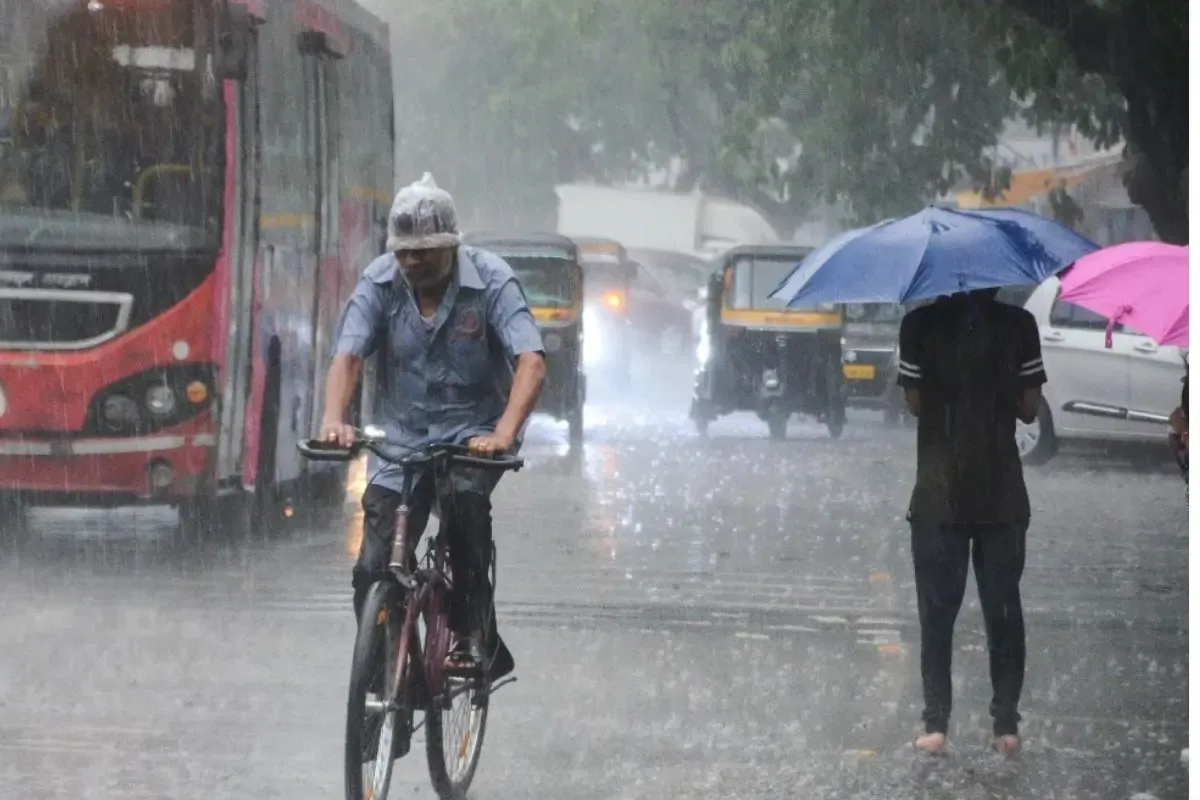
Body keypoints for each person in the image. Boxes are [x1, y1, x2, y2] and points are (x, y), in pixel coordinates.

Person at [320, 173, 546, 672]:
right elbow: (349, 357)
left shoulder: (491, 282)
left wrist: (503, 435)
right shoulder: (380, 282)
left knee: (464, 508)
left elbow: (531, 362)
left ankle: (473, 633)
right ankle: (383, 678)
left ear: (452, 246)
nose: (412, 262)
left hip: (473, 438)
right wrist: (334, 419)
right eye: (404, 253)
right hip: (400, 442)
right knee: (371, 569)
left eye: (424, 252)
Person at [896, 287, 1047, 757]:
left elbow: (916, 405)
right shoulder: (1019, 325)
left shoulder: (918, 326)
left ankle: (936, 724)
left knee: (937, 613)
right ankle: (1006, 726)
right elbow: (1028, 409)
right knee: (1003, 610)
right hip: (1001, 491)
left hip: (940, 493)